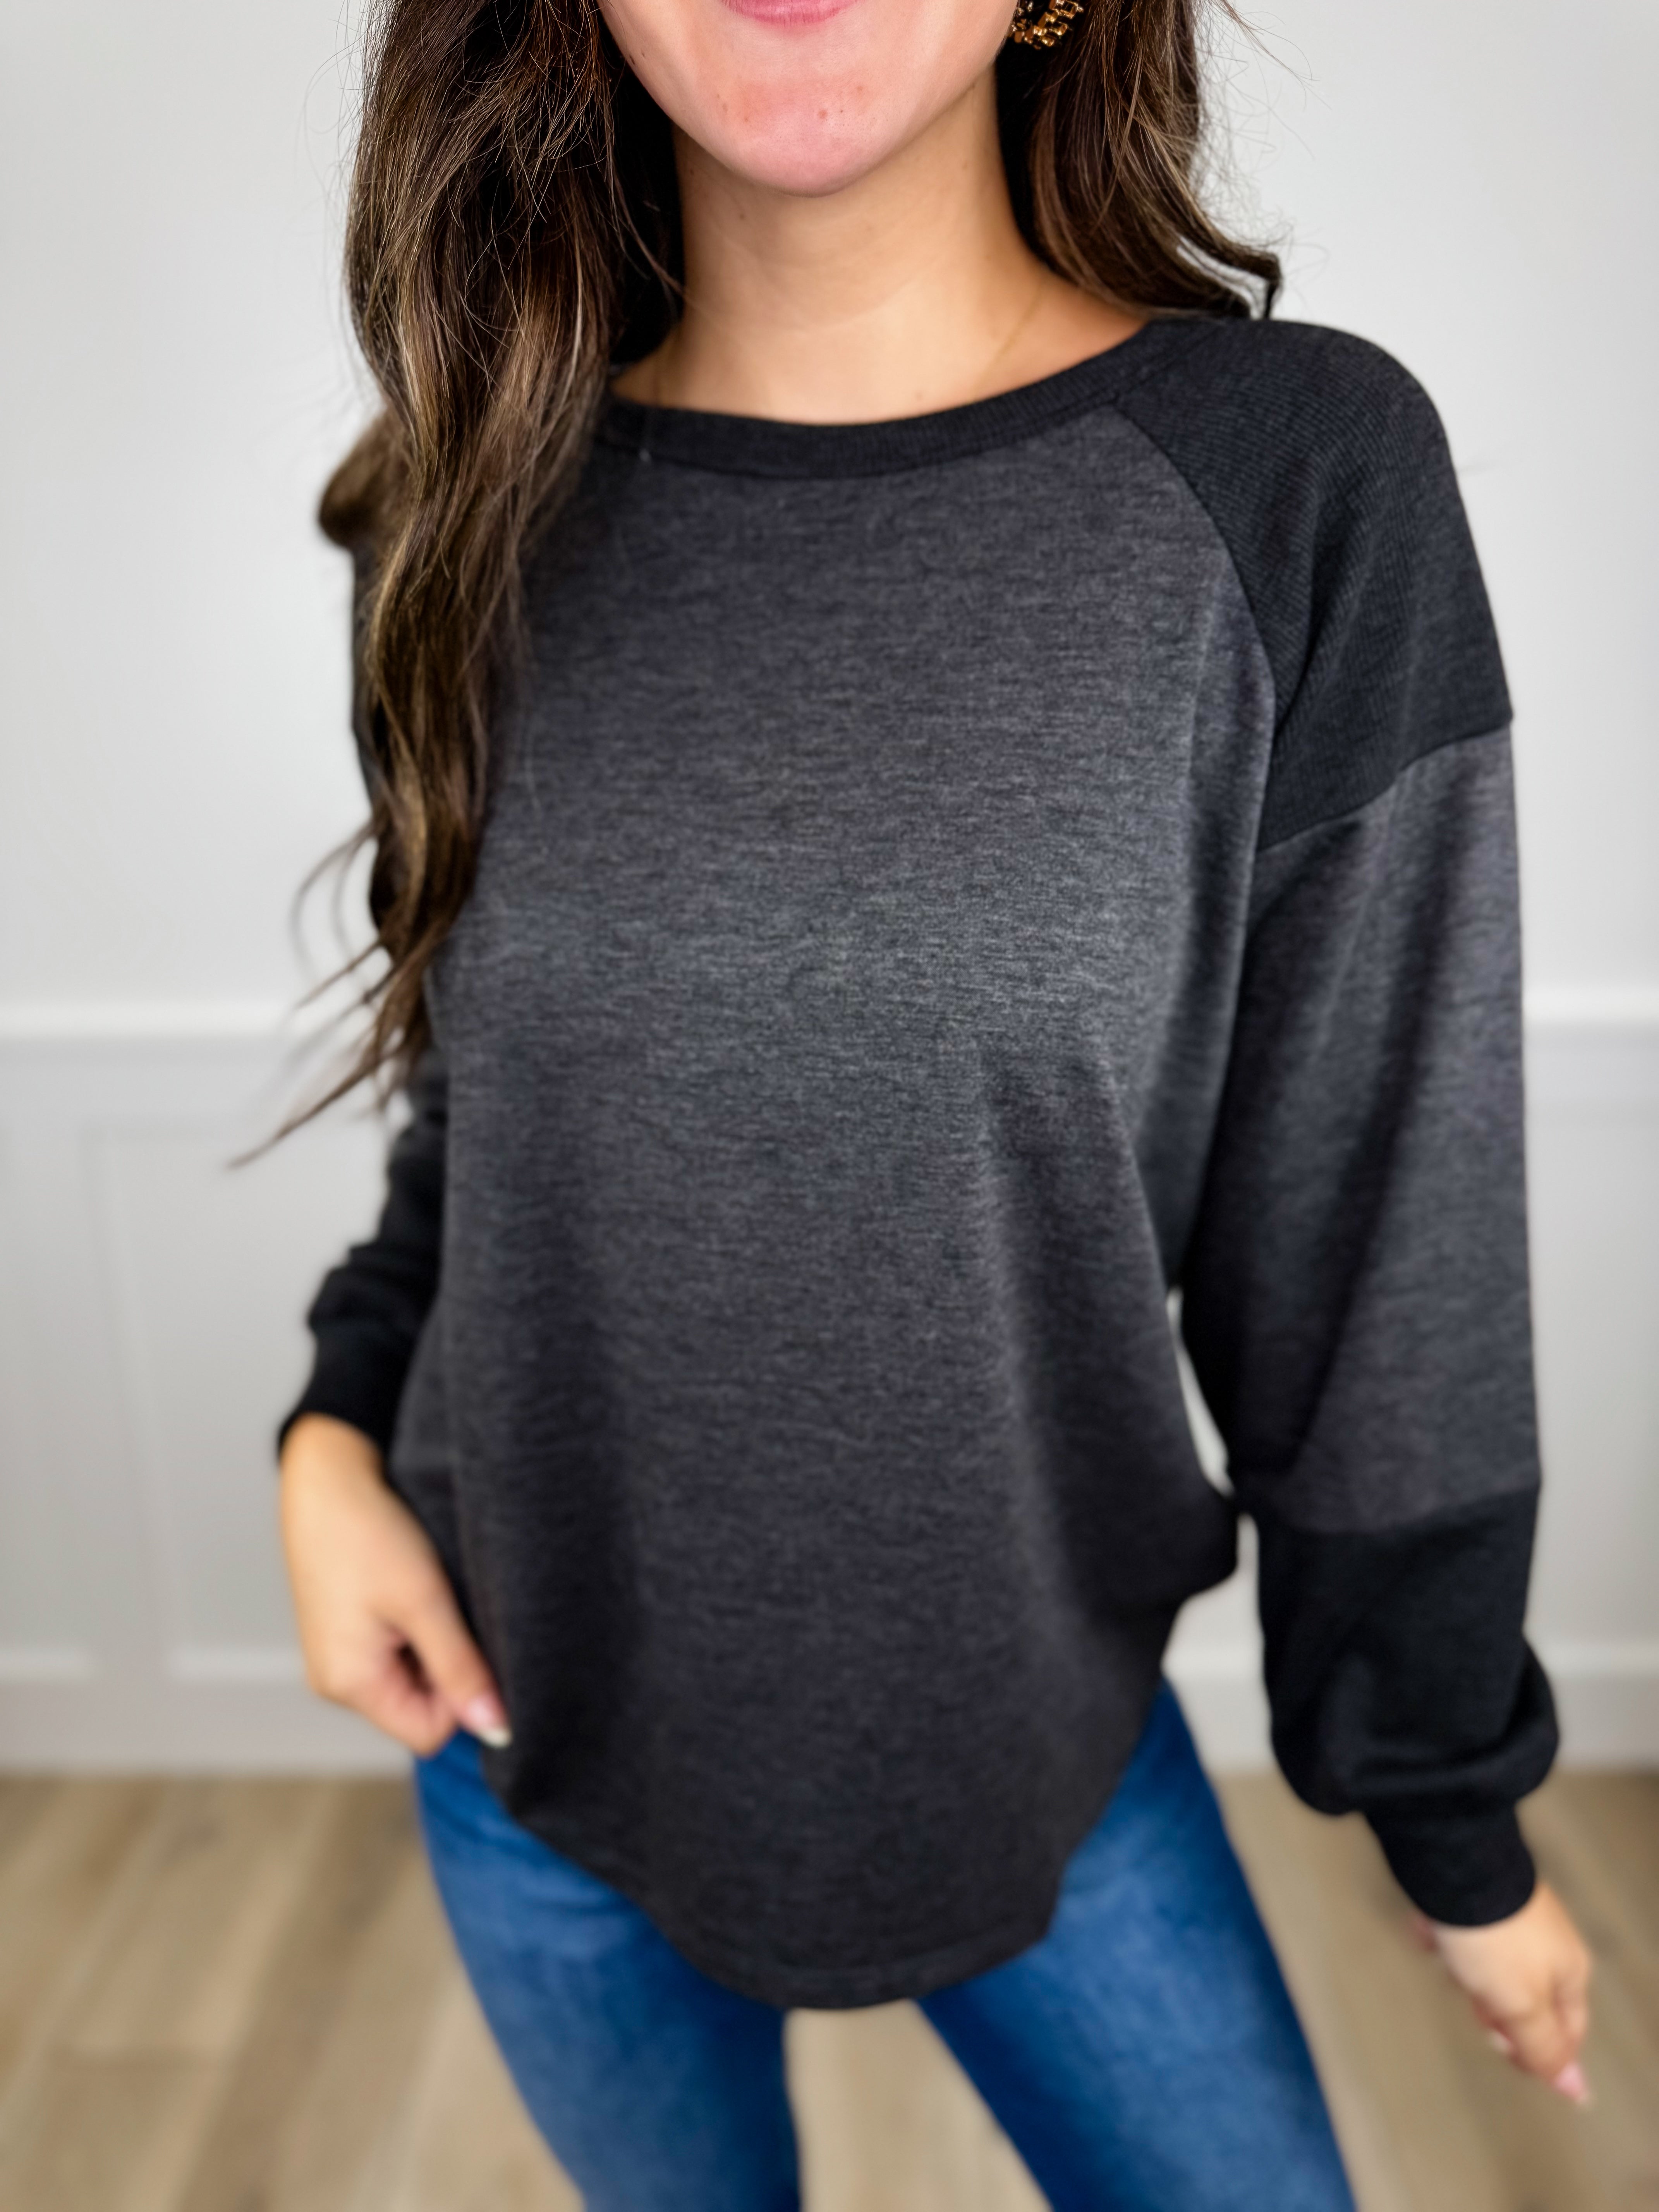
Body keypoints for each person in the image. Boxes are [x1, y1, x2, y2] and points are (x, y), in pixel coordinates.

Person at [275, 0, 1593, 2202]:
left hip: (1037, 1747)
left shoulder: (1297, 482)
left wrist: (1448, 1803)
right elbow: (489, 1118)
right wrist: (331, 1430)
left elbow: (1377, 1243)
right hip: (526, 1729)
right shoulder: (464, 497)